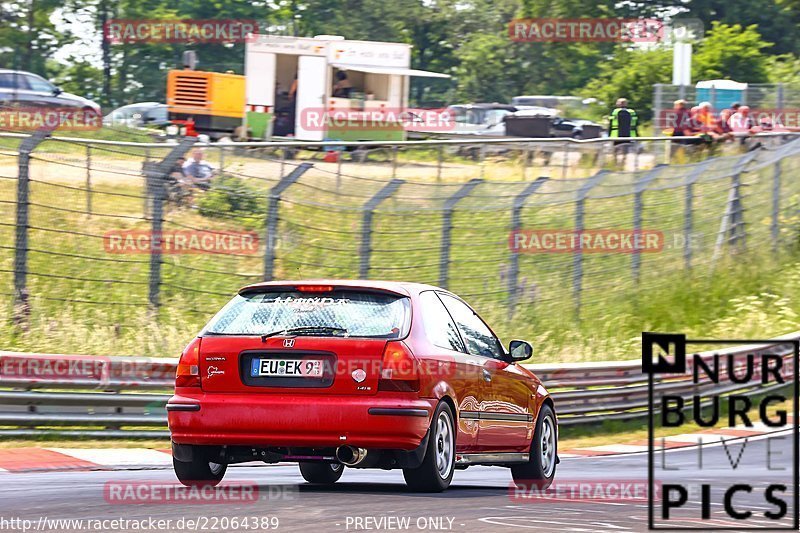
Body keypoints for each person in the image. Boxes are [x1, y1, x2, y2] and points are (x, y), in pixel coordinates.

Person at [609, 98, 638, 166]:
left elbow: (611, 124)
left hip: (616, 135)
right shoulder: (632, 112)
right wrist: (636, 135)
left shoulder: (615, 112)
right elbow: (635, 125)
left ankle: (615, 163)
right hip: (628, 135)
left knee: (615, 151)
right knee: (625, 151)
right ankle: (623, 162)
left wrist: (609, 134)